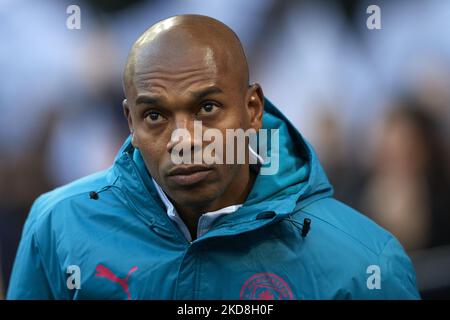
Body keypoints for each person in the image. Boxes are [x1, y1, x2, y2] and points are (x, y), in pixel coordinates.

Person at [7, 15, 419, 299]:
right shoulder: (57, 227)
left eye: (206, 108)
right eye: (155, 115)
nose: (183, 140)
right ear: (129, 120)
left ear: (253, 108)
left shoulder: (363, 262)